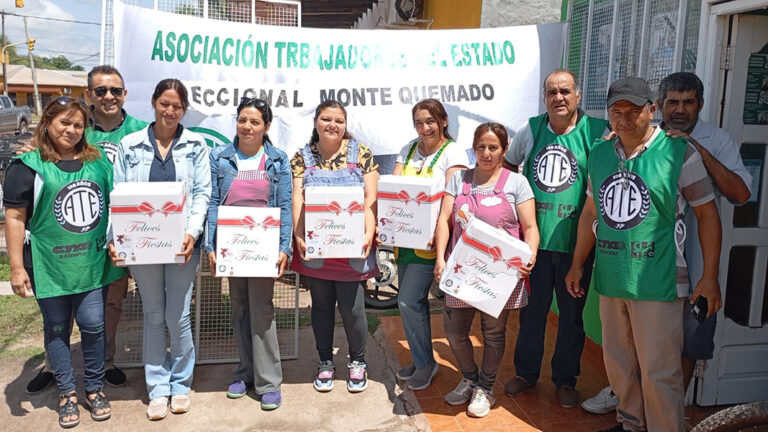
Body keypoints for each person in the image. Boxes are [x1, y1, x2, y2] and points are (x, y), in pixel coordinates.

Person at [581, 72, 753, 415]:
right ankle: (635, 421)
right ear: (663, 106)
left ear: (650, 109)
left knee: (672, 360)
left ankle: (666, 422)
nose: (680, 109)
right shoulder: (608, 150)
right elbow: (593, 210)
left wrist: (696, 149)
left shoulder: (699, 145)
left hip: (677, 270)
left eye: (688, 102)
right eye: (674, 101)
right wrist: (578, 264)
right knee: (624, 363)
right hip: (623, 271)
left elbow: (733, 198)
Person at [23, 65, 149, 394]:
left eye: (116, 91)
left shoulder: (140, 129)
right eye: (101, 90)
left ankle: (106, 361)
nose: (109, 96)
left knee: (112, 301)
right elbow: (45, 156)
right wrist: (31, 151)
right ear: (88, 94)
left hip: (118, 234)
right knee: (57, 307)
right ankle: (53, 365)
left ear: (124, 94)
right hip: (68, 238)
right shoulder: (76, 126)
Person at [4, 97, 123, 428]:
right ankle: (68, 392)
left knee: (94, 327)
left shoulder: (98, 163)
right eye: (64, 123)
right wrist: (16, 268)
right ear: (47, 124)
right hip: (50, 267)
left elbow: (116, 207)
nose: (71, 130)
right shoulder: (27, 166)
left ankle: (95, 388)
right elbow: (14, 218)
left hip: (92, 265)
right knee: (56, 330)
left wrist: (120, 243)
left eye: (78, 125)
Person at [502, 69, 609, 408]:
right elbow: (507, 169)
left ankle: (565, 379)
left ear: (577, 96)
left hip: (577, 246)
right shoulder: (531, 130)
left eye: (565, 91)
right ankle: (526, 373)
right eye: (552, 92)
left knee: (572, 317)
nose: (559, 98)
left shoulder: (597, 132)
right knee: (532, 314)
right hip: (534, 244)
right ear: (544, 98)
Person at [110, 79, 211, 420]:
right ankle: (158, 387)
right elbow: (118, 195)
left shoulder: (195, 145)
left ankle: (181, 384)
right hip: (143, 245)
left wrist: (193, 233)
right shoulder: (130, 146)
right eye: (164, 103)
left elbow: (202, 194)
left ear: (184, 110)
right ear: (153, 103)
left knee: (177, 316)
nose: (170, 111)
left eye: (177, 106)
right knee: (153, 315)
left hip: (182, 246)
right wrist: (117, 239)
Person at [433, 122, 539, 418]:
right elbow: (444, 221)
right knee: (454, 332)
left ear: (504, 150)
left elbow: (530, 226)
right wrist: (440, 258)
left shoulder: (516, 183)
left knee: (493, 333)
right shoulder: (459, 180)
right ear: (474, 148)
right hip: (462, 272)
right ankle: (469, 377)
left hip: (499, 276)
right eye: (481, 147)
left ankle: (486, 387)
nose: (487, 153)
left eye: (493, 148)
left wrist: (529, 255)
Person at [206, 97, 291, 410]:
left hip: (263, 248)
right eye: (243, 119)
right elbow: (213, 202)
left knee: (262, 310)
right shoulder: (220, 157)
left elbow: (284, 206)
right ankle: (245, 373)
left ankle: (269, 380)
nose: (247, 126)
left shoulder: (278, 160)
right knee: (240, 308)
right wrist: (211, 245)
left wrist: (283, 248)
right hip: (232, 247)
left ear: (266, 126)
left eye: (255, 121)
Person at [290, 100, 379, 393]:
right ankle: (325, 361)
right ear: (316, 121)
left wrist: (369, 232)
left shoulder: (361, 154)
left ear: (345, 124)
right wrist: (299, 233)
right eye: (326, 119)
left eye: (338, 120)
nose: (332, 125)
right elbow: (298, 198)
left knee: (353, 310)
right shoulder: (302, 157)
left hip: (352, 248)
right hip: (318, 247)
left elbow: (370, 199)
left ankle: (358, 362)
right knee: (322, 307)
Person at [391, 99, 469, 390]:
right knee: (410, 303)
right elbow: (395, 187)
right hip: (404, 238)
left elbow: (453, 198)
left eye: (430, 121)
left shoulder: (454, 152)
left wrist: (438, 237)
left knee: (408, 300)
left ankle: (426, 364)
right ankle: (421, 357)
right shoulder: (408, 149)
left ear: (443, 121)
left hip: (431, 240)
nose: (425, 128)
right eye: (419, 122)